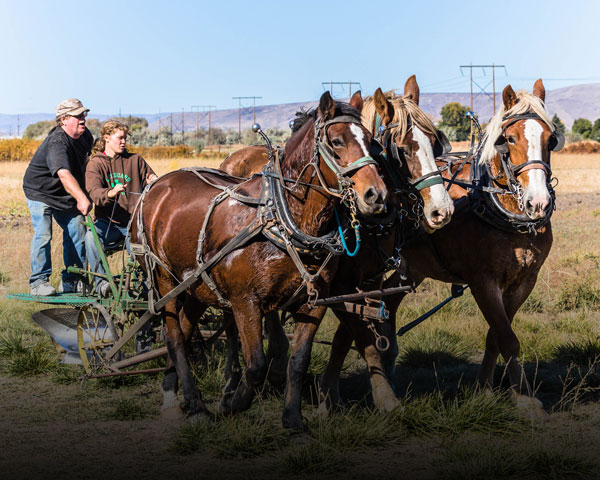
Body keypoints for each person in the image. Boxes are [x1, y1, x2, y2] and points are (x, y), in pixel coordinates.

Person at [23, 98, 93, 295]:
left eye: (84, 114)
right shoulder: (57, 142)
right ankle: (38, 283)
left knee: (77, 231)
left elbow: (87, 163)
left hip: (64, 194)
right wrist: (81, 197)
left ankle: (71, 281)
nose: (83, 119)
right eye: (78, 115)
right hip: (40, 192)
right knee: (44, 233)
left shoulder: (85, 136)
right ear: (64, 119)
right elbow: (63, 173)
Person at [85, 120, 157, 296]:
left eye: (125, 138)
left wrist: (154, 182)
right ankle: (102, 284)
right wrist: (110, 193)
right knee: (91, 237)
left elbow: (152, 179)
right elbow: (94, 192)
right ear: (107, 138)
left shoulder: (135, 160)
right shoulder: (96, 163)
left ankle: (147, 288)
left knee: (141, 249)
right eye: (120, 138)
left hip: (134, 224)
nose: (124, 141)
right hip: (107, 223)